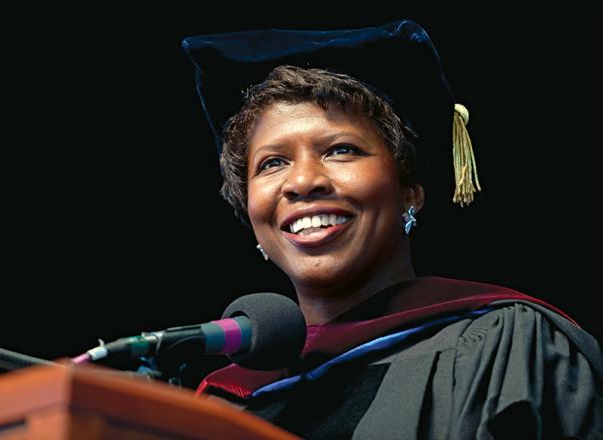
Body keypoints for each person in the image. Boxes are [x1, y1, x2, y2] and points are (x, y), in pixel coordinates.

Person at [181, 20, 603, 439]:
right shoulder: (221, 403)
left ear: (409, 194)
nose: (303, 181)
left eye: (341, 150)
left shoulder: (503, 345)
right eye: (272, 163)